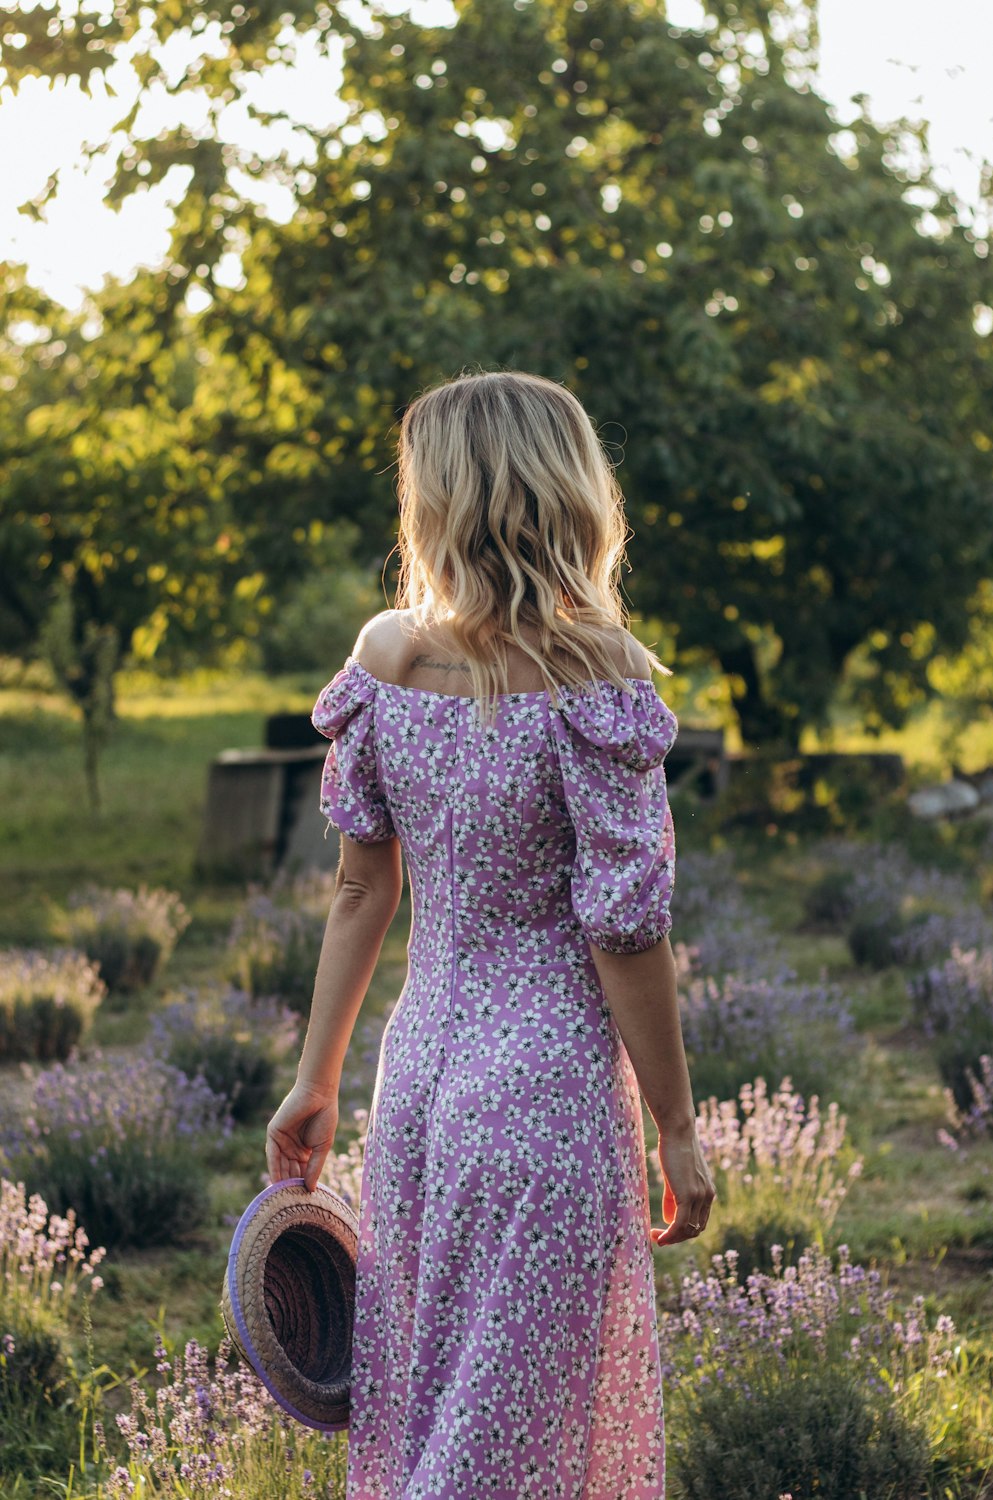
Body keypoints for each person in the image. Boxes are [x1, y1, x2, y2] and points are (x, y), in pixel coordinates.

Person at [266, 369, 715, 1498]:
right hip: (550, 1098)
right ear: (570, 491)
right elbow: (625, 934)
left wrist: (314, 1079)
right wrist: (676, 1126)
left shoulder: (386, 658)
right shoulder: (595, 675)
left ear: (440, 503)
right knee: (497, 1442)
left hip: (416, 1083)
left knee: (438, 1413)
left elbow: (362, 893)